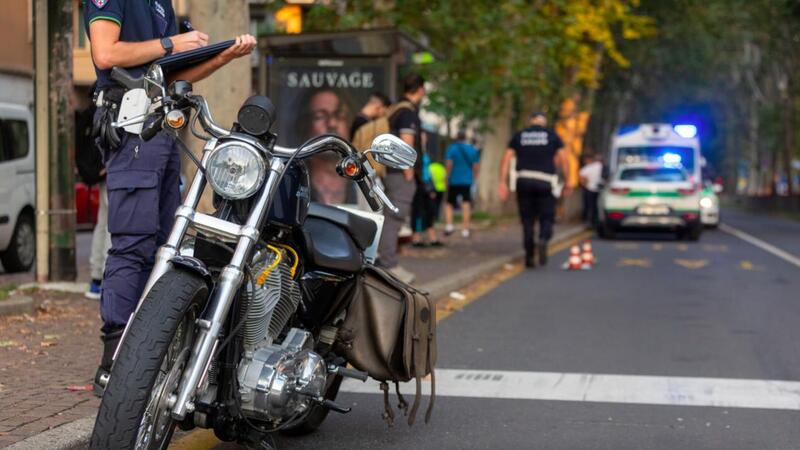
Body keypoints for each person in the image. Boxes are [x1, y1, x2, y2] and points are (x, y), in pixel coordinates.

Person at [85, 0, 256, 394]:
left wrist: (223, 56)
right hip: (131, 129)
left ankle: (146, 352)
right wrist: (171, 42)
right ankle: (114, 359)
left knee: (166, 245)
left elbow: (175, 71)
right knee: (133, 244)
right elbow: (106, 53)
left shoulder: (162, 3)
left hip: (162, 129)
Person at [499, 112, 571, 268]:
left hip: (523, 181)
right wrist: (568, 181)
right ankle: (544, 238)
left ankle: (529, 255)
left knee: (527, 220)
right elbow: (564, 159)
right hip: (545, 182)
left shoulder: (520, 136)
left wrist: (502, 182)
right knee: (547, 217)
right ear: (543, 122)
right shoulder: (552, 136)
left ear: (531, 122)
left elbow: (506, 158)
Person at [377, 73, 426, 283]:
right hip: (400, 173)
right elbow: (407, 142)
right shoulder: (408, 113)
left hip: (390, 171)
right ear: (421, 90)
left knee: (390, 216)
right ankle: (389, 264)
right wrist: (408, 170)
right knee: (395, 217)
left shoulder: (396, 109)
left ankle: (386, 260)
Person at [444, 130, 480, 238]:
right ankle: (465, 229)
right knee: (466, 203)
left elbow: (449, 164)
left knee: (449, 203)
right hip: (467, 180)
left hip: (454, 180)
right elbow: (475, 166)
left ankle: (449, 225)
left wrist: (447, 176)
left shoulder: (452, 148)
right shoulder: (472, 149)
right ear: (465, 138)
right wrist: (473, 177)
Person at [411, 149, 443, 247]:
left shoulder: (423, 153)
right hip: (418, 186)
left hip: (426, 187)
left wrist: (431, 188)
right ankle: (416, 239)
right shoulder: (414, 152)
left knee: (430, 212)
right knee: (418, 213)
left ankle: (432, 238)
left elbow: (428, 173)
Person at [579, 152, 603, 226]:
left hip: (589, 189)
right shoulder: (599, 165)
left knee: (590, 206)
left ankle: (591, 221)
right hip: (599, 189)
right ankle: (596, 221)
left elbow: (582, 180)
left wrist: (585, 185)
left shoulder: (585, 169)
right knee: (596, 206)